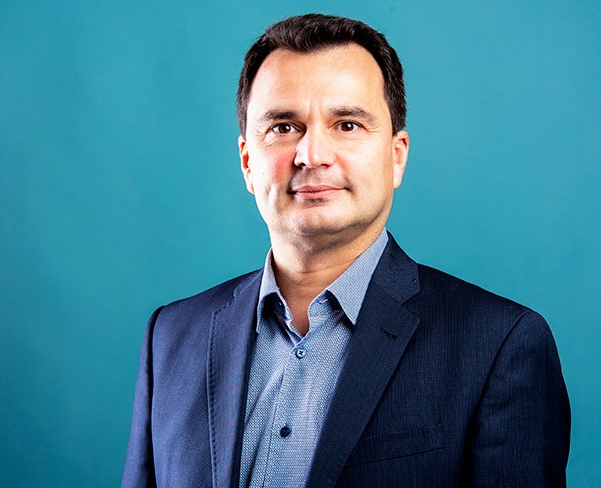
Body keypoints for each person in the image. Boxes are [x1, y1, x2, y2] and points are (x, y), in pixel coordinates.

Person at [122, 13, 570, 488]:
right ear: (247, 162)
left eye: (348, 124)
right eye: (284, 126)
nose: (312, 154)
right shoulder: (172, 337)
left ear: (396, 155)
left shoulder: (500, 345)